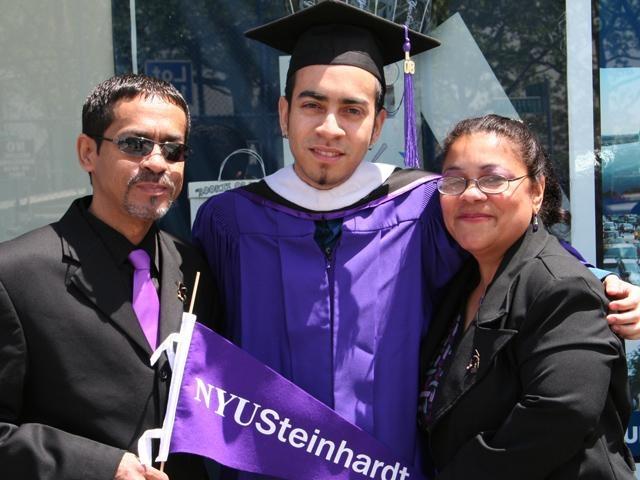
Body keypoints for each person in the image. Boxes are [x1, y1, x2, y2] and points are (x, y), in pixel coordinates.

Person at [193, 1, 640, 476]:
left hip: (392, 467)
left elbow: (518, 258)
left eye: (352, 110)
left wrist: (610, 287)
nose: (330, 127)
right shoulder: (230, 221)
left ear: (377, 124)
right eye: (312, 104)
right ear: (284, 113)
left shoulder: (425, 205)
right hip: (267, 464)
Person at [0, 74, 217, 480]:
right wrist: (100, 467)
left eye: (174, 150)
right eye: (135, 145)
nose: (157, 162)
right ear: (88, 152)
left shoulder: (196, 267)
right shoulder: (13, 276)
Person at [418, 114, 635, 479]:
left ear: (536, 191)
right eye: (454, 180)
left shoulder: (562, 287)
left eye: (493, 179)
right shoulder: (460, 284)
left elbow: (559, 415)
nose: (471, 193)